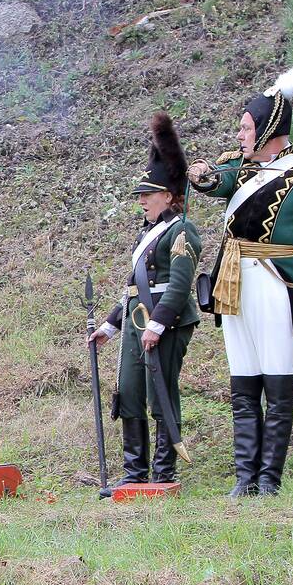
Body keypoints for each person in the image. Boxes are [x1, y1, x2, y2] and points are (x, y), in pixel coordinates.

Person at [187, 51, 293, 497]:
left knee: (277, 379)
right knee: (243, 380)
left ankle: (269, 479)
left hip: (278, 285)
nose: (239, 136)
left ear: (269, 130)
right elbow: (215, 181)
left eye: (246, 128)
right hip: (234, 283)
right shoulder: (241, 170)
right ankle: (244, 477)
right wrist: (200, 173)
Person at [90, 113, 202, 498]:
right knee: (132, 391)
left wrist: (158, 324)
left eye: (148, 194)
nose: (142, 201)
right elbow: (134, 289)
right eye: (141, 195)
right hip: (139, 323)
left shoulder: (182, 231)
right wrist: (110, 325)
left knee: (161, 394)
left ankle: (162, 472)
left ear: (168, 196)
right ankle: (134, 474)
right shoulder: (148, 234)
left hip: (166, 324)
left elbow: (180, 284)